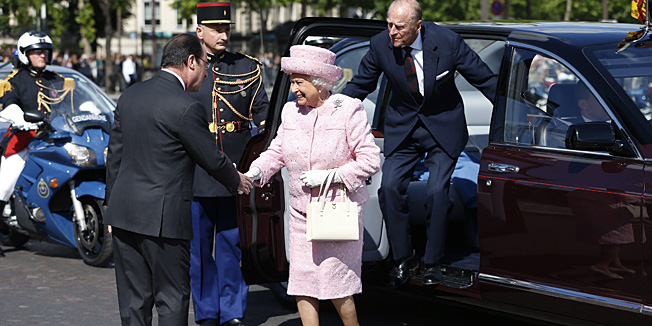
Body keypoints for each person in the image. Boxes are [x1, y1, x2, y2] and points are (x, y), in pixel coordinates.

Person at [341, 0, 497, 287]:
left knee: (437, 191)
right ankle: (403, 258)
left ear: (417, 26)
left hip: (443, 126)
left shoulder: (447, 42)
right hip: (403, 127)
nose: (392, 32)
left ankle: (432, 261)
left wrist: (515, 110)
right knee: (389, 188)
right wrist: (332, 112)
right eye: (389, 24)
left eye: (399, 27)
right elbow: (360, 85)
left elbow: (485, 80)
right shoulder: (380, 44)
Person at [104, 33, 253, 326]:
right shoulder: (185, 106)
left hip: (123, 213)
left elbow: (115, 159)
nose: (207, 72)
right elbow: (210, 157)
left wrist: (111, 205)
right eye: (204, 65)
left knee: (134, 302)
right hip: (164, 220)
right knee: (171, 298)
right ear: (190, 62)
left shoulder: (130, 95)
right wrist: (237, 180)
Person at [244, 44, 380, 326]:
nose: (294, 88)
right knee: (303, 283)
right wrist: (257, 170)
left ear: (318, 82)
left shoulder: (347, 110)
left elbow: (370, 160)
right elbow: (277, 151)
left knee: (337, 285)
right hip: (300, 213)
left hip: (335, 212)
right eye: (292, 81)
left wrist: (330, 177)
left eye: (299, 82)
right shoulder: (290, 113)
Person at [189, 2, 268, 326]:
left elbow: (262, 112)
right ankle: (207, 312)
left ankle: (232, 312)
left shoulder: (246, 67)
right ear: (199, 31)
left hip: (236, 170)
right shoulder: (189, 67)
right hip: (196, 171)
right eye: (216, 28)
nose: (223, 34)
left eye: (226, 28)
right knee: (199, 251)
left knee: (232, 245)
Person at [0, 31, 63, 222]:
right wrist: (20, 118)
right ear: (25, 54)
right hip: (25, 139)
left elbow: (75, 103)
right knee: (5, 184)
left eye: (45, 51)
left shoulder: (58, 80)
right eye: (36, 51)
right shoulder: (14, 80)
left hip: (55, 137)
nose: (42, 55)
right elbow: (9, 104)